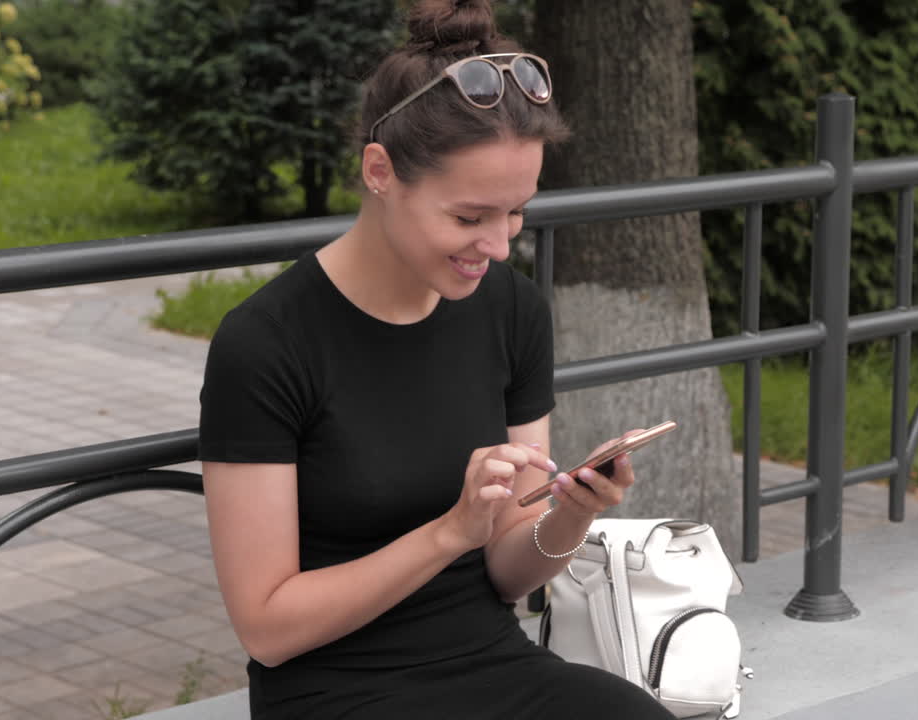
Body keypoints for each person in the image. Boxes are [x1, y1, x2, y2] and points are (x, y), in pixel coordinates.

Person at [197, 1, 677, 717]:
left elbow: (510, 572)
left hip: (491, 663)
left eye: (516, 212)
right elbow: (268, 628)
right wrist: (449, 531)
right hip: (334, 692)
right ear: (381, 171)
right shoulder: (266, 344)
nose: (498, 244)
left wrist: (570, 514)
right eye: (469, 216)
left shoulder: (512, 312)